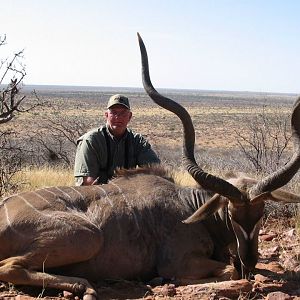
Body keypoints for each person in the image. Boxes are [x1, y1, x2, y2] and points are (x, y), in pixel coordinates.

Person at [74, 94, 160, 185]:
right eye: (113, 112)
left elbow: (156, 171)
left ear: (129, 116)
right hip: (99, 194)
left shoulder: (137, 141)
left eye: (123, 113)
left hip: (128, 193)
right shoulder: (91, 140)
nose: (118, 117)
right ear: (106, 115)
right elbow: (87, 181)